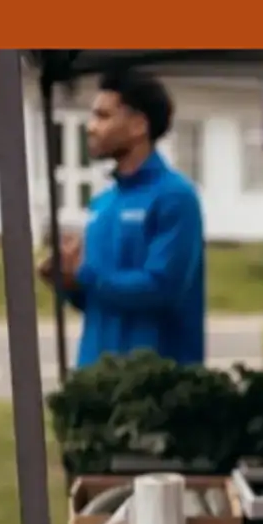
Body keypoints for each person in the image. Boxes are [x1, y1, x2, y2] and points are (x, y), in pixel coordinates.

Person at [39, 70, 206, 368]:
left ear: (138, 125)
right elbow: (98, 297)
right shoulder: (104, 203)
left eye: (103, 117)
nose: (90, 128)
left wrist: (85, 274)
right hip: (96, 380)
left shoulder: (175, 196)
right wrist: (66, 280)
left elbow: (161, 288)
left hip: (156, 387)